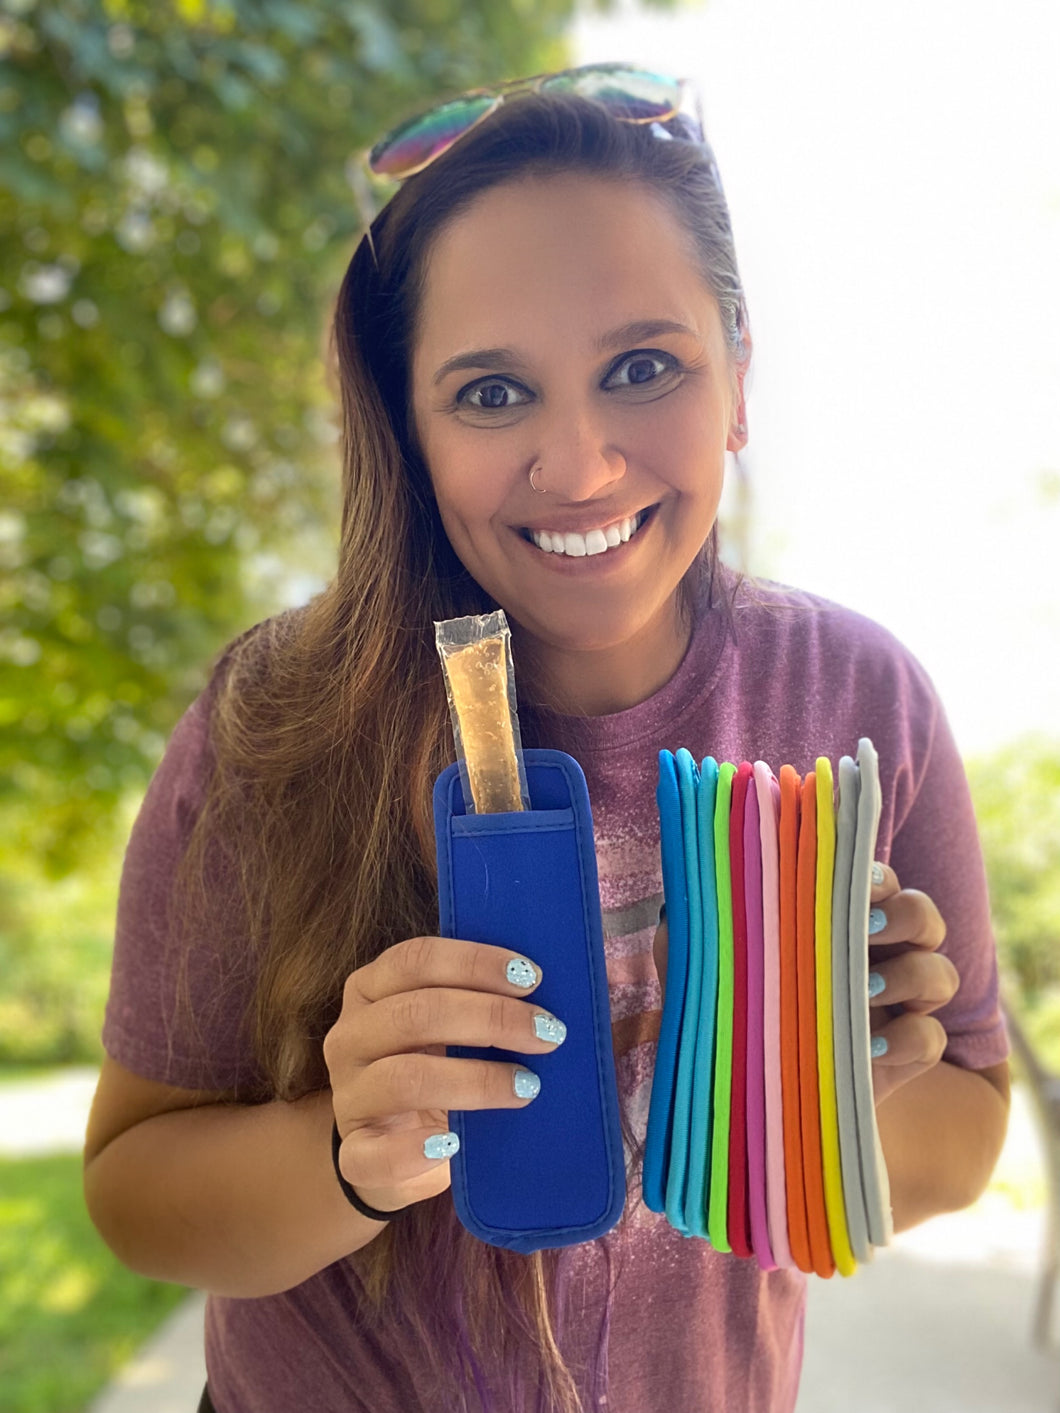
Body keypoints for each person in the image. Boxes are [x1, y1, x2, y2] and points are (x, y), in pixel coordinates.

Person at [83, 65, 1010, 1413]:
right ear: (407, 423)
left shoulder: (855, 694)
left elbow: (968, 1135)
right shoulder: (268, 726)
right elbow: (134, 1192)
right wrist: (345, 1149)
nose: (579, 465)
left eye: (644, 367)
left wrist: (824, 1080)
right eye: (491, 392)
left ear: (738, 380)